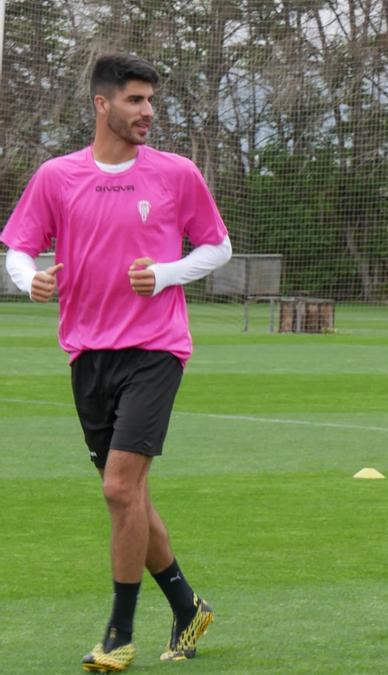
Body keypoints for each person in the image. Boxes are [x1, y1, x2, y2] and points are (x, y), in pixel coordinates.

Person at [1, 54, 230, 671]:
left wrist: (168, 275)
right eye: (135, 100)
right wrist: (30, 282)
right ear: (102, 104)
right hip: (87, 355)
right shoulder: (56, 175)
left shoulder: (177, 174)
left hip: (156, 350)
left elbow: (218, 244)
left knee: (118, 486)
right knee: (131, 498)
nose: (148, 112)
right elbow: (18, 249)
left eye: (151, 100)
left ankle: (118, 634)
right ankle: (188, 606)